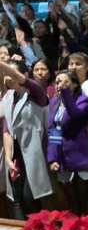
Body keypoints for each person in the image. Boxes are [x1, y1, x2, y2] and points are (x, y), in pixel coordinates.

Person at [0, 60, 52, 218]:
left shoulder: (35, 92)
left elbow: (16, 75)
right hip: (15, 154)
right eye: (4, 74)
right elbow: (7, 130)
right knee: (17, 198)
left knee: (31, 197)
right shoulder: (8, 96)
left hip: (34, 152)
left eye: (9, 73)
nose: (7, 77)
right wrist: (8, 158)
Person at [47, 71, 88, 215]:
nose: (60, 85)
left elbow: (75, 115)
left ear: (75, 84)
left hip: (81, 158)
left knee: (86, 203)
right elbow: (54, 131)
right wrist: (53, 158)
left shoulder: (84, 101)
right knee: (71, 204)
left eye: (65, 82)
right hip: (64, 161)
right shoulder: (54, 103)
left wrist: (65, 94)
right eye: (57, 82)